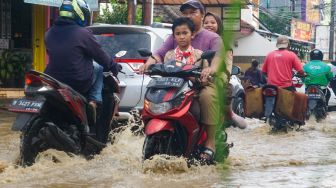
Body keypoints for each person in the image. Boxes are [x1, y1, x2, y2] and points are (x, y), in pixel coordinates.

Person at [140, 0, 228, 164]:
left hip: (202, 83)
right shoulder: (176, 35)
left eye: (192, 12)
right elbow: (159, 54)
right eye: (185, 13)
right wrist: (148, 64)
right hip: (176, 84)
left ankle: (210, 143)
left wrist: (210, 69)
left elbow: (218, 57)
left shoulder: (212, 37)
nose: (188, 16)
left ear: (202, 15)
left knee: (207, 97)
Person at [44, 0, 117, 116]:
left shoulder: (48, 33)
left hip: (52, 80)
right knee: (98, 67)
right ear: (79, 13)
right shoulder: (83, 33)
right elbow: (101, 56)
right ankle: (94, 102)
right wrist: (113, 66)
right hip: (77, 82)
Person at [203, 13, 247, 129]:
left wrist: (219, 79)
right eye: (206, 22)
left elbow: (227, 69)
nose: (209, 25)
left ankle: (229, 115)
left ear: (219, 25)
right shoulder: (199, 42)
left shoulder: (225, 46)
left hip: (217, 80)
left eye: (213, 22)